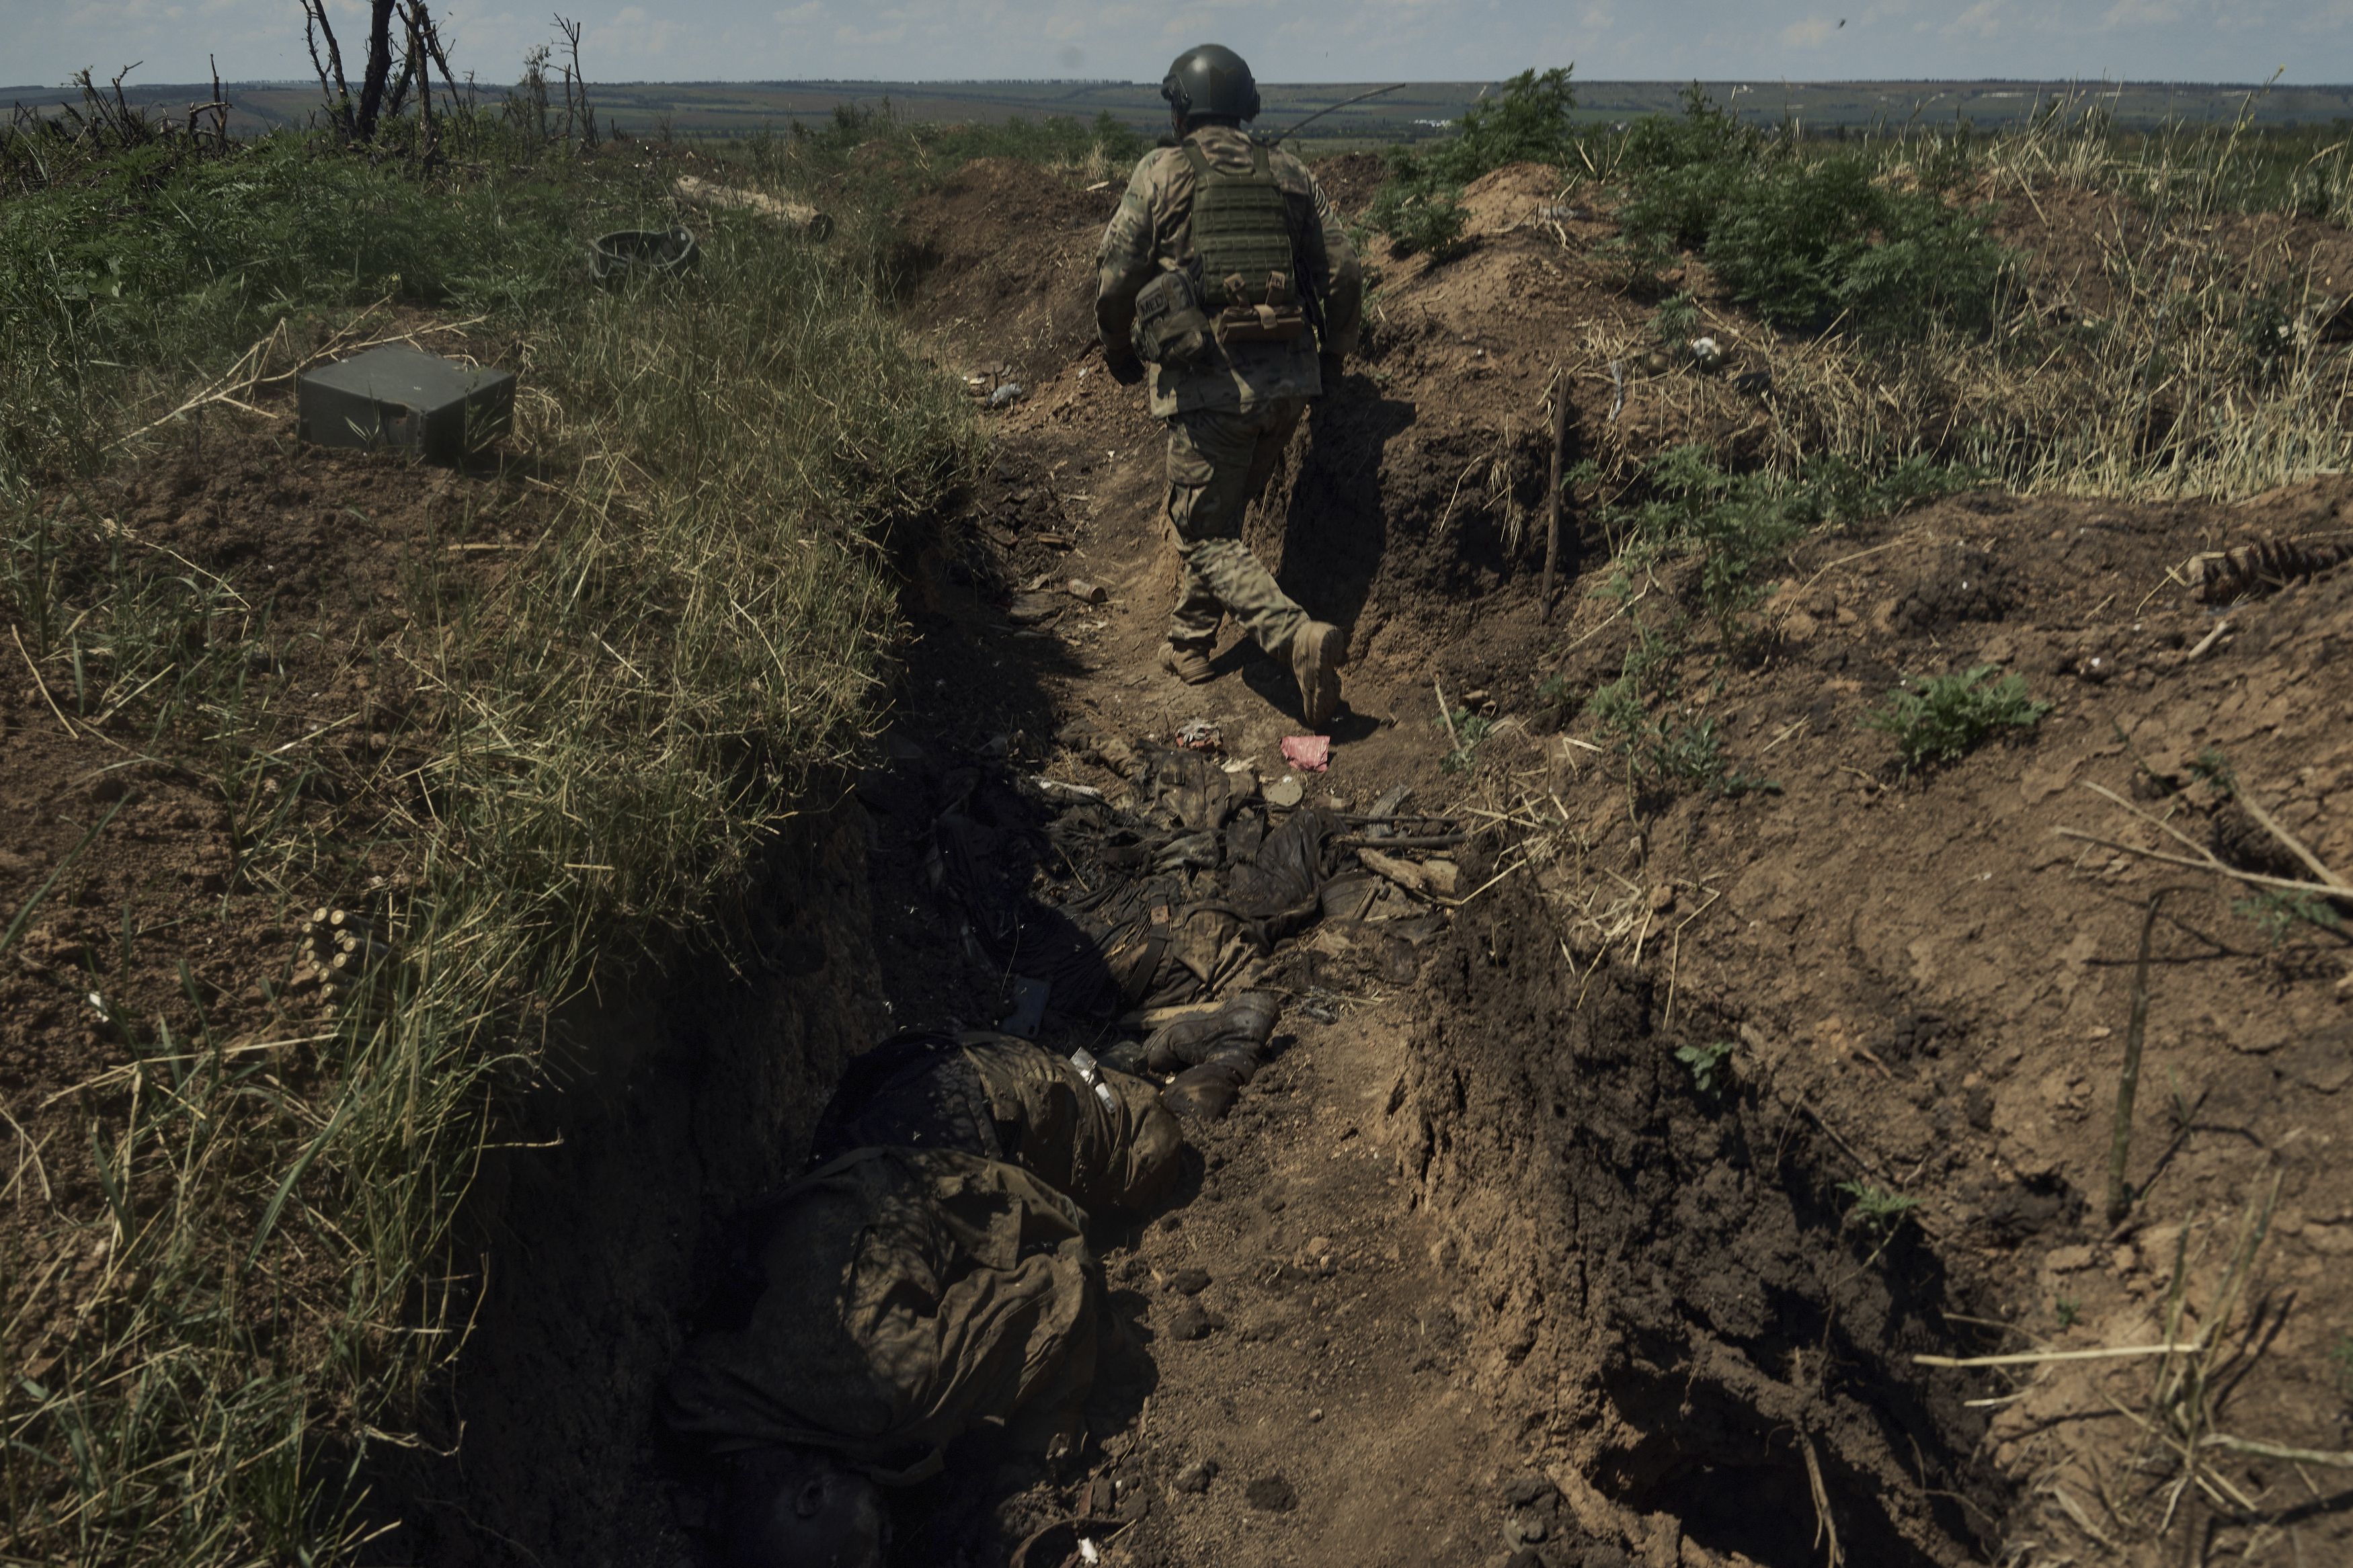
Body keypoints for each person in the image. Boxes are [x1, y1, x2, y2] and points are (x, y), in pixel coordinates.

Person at [1096, 43, 1364, 732]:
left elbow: (1117, 274)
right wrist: (1331, 358)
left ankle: (1294, 639)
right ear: (1246, 108)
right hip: (1287, 388)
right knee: (1221, 521)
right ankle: (1188, 646)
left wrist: (1120, 349)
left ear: (1179, 108)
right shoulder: (1291, 172)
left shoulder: (1161, 171)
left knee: (1202, 531)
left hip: (1209, 390)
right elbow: (1342, 269)